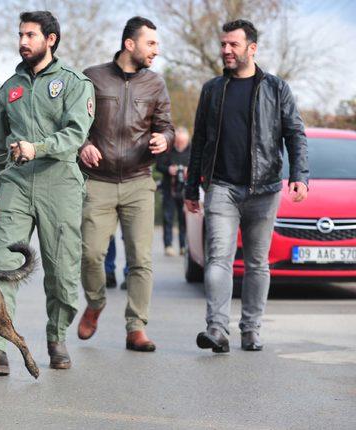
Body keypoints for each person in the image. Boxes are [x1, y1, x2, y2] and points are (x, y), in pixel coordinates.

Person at [0, 10, 95, 373]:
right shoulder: (10, 87)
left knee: (62, 269)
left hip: (60, 182)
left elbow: (76, 133)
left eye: (31, 35)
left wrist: (36, 148)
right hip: (16, 183)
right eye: (20, 35)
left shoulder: (75, 83)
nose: (23, 41)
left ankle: (57, 337)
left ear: (50, 40)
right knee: (2, 266)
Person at [185, 19, 308, 353]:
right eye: (223, 44)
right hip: (221, 187)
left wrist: (299, 176)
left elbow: (295, 133)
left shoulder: (276, 88)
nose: (225, 50)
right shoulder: (212, 89)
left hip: (264, 189)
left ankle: (251, 329)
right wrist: (189, 189)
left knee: (257, 263)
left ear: (251, 48)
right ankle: (217, 329)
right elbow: (199, 143)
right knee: (218, 259)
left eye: (233, 45)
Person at [76, 16, 174, 352]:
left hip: (138, 181)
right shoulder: (92, 77)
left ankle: (136, 327)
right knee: (90, 255)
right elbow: (75, 124)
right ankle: (96, 302)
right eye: (151, 44)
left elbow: (167, 126)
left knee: (141, 260)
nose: (156, 51)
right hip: (98, 182)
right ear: (129, 44)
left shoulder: (156, 84)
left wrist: (164, 139)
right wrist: (82, 145)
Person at [156, 126, 191, 256]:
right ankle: (168, 245)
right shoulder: (167, 149)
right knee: (168, 217)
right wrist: (169, 169)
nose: (180, 144)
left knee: (184, 219)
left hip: (186, 190)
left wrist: (189, 171)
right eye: (178, 142)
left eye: (183, 142)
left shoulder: (192, 150)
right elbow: (159, 165)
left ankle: (183, 246)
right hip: (168, 188)